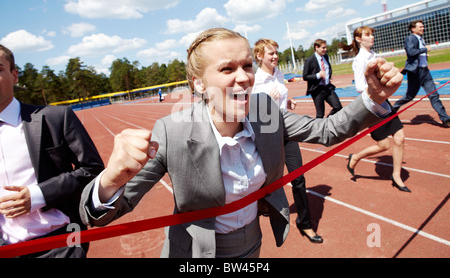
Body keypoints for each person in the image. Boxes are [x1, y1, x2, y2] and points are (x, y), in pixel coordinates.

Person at [79, 28, 402, 258]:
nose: (245, 77)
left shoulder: (264, 111)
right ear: (199, 83)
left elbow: (328, 131)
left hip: (251, 242)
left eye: (247, 65)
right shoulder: (171, 131)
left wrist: (372, 97)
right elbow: (99, 216)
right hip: (194, 253)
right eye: (227, 69)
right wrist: (112, 179)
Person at [0, 44, 104, 257]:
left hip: (60, 244)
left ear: (14, 75)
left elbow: (92, 169)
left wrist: (39, 195)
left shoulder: (56, 118)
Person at [251, 38, 322, 243]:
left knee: (298, 177)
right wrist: (270, 102)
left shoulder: (279, 74)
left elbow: (279, 96)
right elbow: (252, 114)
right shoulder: (254, 82)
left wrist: (286, 101)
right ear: (259, 56)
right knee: (263, 180)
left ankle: (305, 223)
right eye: (270, 53)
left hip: (287, 131)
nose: (275, 56)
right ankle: (258, 212)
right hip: (267, 134)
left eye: (276, 52)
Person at [341, 27, 410, 192]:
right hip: (373, 106)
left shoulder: (373, 56)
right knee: (384, 145)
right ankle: (355, 157)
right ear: (358, 39)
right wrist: (375, 87)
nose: (371, 37)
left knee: (399, 138)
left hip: (384, 102)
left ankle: (396, 176)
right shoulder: (360, 60)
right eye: (367, 34)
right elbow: (358, 86)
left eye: (372, 34)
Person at [393, 20, 450, 126]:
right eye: (420, 27)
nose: (423, 28)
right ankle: (391, 111)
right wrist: (424, 50)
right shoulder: (411, 38)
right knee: (409, 96)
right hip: (416, 72)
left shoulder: (420, 39)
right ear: (413, 29)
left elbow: (417, 53)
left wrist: (424, 56)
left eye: (423, 26)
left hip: (425, 71)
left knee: (434, 95)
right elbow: (411, 52)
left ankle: (445, 118)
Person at [303, 39, 343, 118]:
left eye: (325, 48)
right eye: (323, 48)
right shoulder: (309, 60)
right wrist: (318, 75)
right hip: (317, 90)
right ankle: (318, 128)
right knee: (320, 114)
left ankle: (326, 122)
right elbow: (305, 76)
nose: (325, 50)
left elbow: (328, 68)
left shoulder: (326, 57)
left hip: (327, 87)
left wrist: (328, 76)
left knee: (338, 107)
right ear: (316, 47)